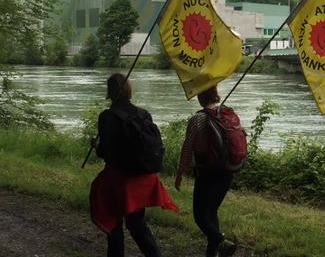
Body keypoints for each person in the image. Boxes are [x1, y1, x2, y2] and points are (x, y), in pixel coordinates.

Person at [90, 73, 179, 257]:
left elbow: (106, 153)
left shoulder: (107, 116)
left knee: (114, 223)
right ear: (128, 90)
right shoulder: (143, 113)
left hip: (121, 179)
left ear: (110, 92)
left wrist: (96, 147)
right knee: (136, 224)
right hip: (145, 176)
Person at [175, 85, 238, 257]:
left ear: (200, 98)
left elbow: (187, 148)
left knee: (200, 216)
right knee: (211, 212)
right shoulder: (226, 114)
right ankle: (213, 253)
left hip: (207, 173)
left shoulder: (198, 119)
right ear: (215, 96)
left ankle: (221, 241)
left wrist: (180, 172)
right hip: (227, 171)